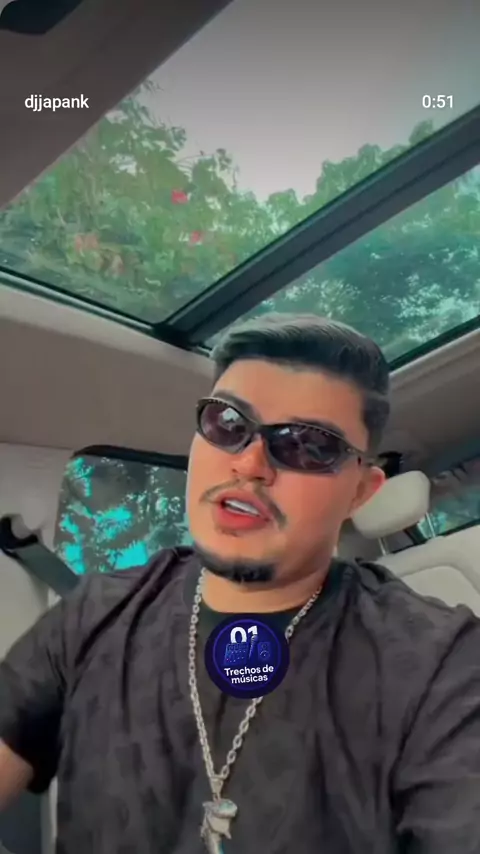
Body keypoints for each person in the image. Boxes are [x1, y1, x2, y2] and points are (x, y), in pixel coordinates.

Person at [1, 313, 480, 854]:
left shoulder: (442, 664)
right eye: (227, 423)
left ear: (360, 493)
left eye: (308, 444)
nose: (250, 463)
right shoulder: (94, 614)